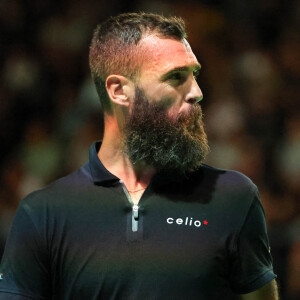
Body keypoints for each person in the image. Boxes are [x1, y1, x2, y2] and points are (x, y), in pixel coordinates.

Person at [0, 12, 278, 299]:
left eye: (194, 75)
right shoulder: (43, 214)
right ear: (119, 91)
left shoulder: (234, 197)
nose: (197, 92)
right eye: (176, 77)